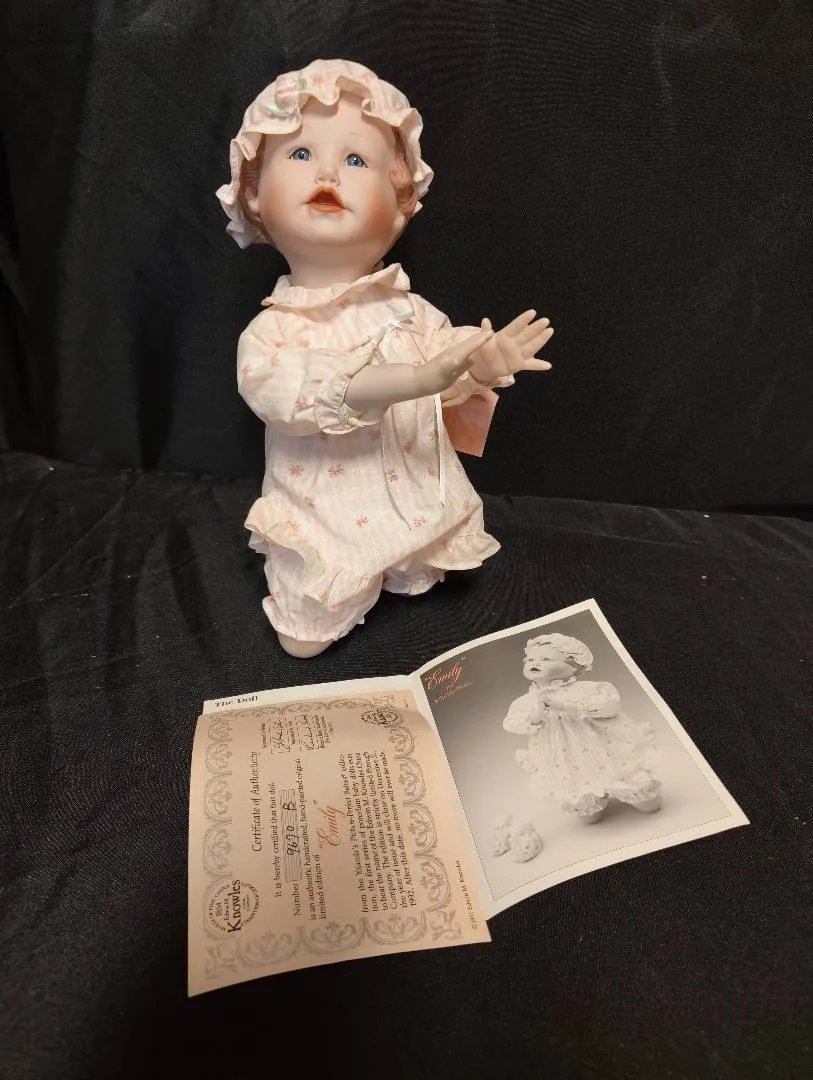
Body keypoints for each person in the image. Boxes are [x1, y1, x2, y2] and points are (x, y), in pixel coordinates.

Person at [217, 59, 554, 656]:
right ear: (255, 195)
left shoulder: (410, 311)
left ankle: (405, 557)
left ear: (399, 208)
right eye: (300, 154)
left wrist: (479, 365)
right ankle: (338, 581)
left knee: (423, 547)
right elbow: (283, 395)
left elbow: (446, 373)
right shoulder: (276, 329)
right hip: (322, 511)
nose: (327, 172)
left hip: (410, 491)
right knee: (304, 636)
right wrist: (413, 378)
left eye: (356, 160)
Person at [503, 633, 662, 822]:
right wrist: (536, 716)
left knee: (648, 802)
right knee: (588, 816)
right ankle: (589, 799)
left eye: (546, 659)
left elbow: (610, 706)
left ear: (573, 666)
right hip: (562, 756)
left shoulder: (586, 690)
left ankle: (633, 790)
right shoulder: (526, 701)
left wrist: (567, 706)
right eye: (530, 659)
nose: (535, 662)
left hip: (603, 745)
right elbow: (512, 724)